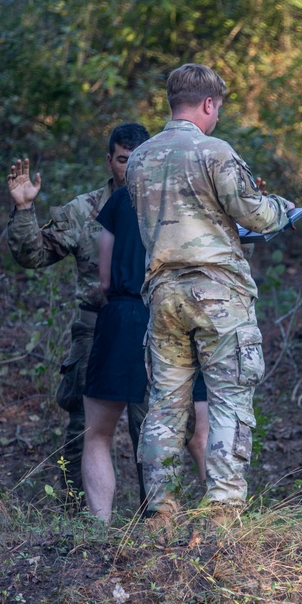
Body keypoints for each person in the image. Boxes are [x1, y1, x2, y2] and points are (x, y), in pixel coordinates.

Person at [126, 63, 294, 529]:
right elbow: (255, 214)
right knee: (227, 398)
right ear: (208, 104)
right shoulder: (214, 151)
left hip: (163, 294)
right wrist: (284, 209)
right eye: (217, 106)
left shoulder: (139, 158)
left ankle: (161, 512)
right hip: (218, 292)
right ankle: (222, 510)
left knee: (164, 404)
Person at [5, 125, 147, 498]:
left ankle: (157, 518)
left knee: (151, 425)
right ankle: (79, 517)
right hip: (96, 327)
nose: (128, 168)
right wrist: (24, 210)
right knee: (84, 425)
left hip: (151, 327)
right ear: (109, 160)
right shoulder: (85, 210)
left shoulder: (167, 208)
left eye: (137, 160)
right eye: (121, 160)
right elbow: (32, 254)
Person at [81, 123, 211, 522]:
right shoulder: (188, 200)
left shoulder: (119, 201)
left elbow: (103, 279)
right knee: (198, 434)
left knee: (99, 434)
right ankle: (222, 522)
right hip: (176, 315)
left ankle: (100, 529)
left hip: (122, 317)